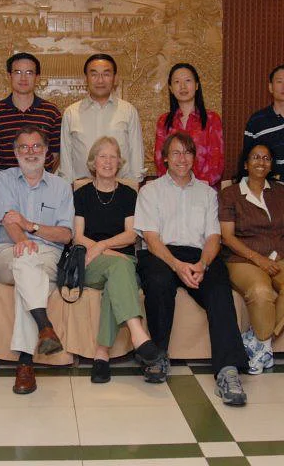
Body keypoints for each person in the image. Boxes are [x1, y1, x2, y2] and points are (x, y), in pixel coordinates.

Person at [135, 131, 249, 405]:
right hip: (162, 253)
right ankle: (158, 356)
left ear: (195, 158)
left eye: (187, 152)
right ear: (165, 158)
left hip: (200, 255)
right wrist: (177, 266)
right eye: (175, 152)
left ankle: (228, 370)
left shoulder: (208, 193)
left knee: (219, 287)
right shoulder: (150, 191)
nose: (182, 158)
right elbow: (151, 238)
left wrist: (202, 264)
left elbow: (214, 237)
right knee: (158, 282)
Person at [73, 136, 167, 384]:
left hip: (116, 260)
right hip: (90, 261)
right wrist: (101, 250)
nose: (107, 161)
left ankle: (101, 355)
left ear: (119, 163)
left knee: (116, 278)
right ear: (93, 162)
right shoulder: (81, 194)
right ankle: (138, 336)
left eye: (113, 157)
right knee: (121, 266)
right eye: (102, 156)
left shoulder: (128, 194)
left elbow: (130, 235)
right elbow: (78, 236)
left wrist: (103, 245)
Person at [0, 126, 73, 394]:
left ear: (47, 151)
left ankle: (25, 364)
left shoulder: (61, 186)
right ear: (15, 152)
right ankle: (44, 327)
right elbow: (8, 220)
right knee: (25, 259)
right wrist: (22, 240)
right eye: (23, 147)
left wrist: (31, 227)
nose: (30, 152)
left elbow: (65, 235)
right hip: (6, 252)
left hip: (48, 255)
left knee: (27, 273)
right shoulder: (3, 180)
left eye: (36, 146)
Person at [218, 143, 284, 374]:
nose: (261, 162)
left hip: (282, 254)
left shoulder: (281, 192)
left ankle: (260, 342)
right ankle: (262, 346)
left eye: (266, 158)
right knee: (261, 291)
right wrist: (258, 259)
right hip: (243, 257)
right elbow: (227, 237)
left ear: (271, 165)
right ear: (246, 164)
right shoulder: (230, 194)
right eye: (256, 157)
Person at [59, 54, 144, 183]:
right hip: (81, 189)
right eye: (94, 74)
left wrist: (134, 186)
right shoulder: (71, 113)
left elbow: (136, 154)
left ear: (115, 78)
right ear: (86, 79)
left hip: (120, 188)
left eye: (106, 74)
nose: (100, 80)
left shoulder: (128, 111)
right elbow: (65, 160)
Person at [0, 52, 61, 174]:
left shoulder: (51, 111)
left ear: (37, 77)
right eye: (18, 72)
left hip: (41, 181)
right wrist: (9, 176)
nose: (23, 78)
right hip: (6, 182)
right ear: (9, 76)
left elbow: (55, 153)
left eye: (29, 73)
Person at [154, 63, 224, 187]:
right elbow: (160, 160)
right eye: (177, 82)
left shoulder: (212, 119)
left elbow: (216, 162)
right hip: (171, 191)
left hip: (204, 189)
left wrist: (194, 187)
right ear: (170, 88)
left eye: (187, 80)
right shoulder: (164, 121)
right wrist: (175, 187)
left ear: (196, 85)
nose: (183, 86)